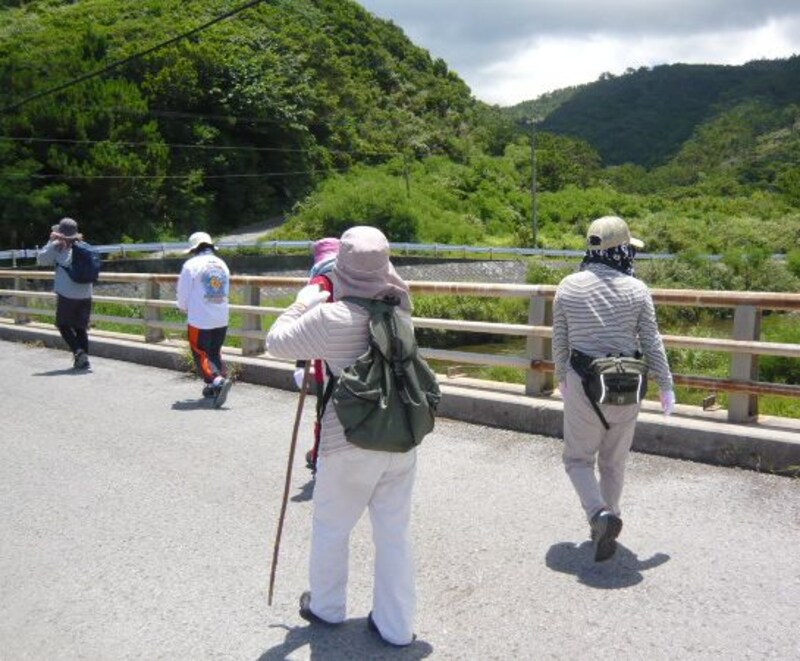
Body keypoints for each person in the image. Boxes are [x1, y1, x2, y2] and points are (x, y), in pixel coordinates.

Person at [266, 226, 418, 647]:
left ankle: (327, 607)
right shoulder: (400, 308)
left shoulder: (330, 317)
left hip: (345, 440)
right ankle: (397, 626)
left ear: (342, 269)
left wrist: (302, 304)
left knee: (333, 527)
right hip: (400, 437)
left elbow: (276, 342)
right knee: (394, 533)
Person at [551, 215, 675, 562]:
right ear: (621, 249)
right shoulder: (637, 289)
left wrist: (561, 376)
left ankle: (598, 515)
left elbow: (559, 340)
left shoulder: (568, 285)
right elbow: (652, 342)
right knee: (614, 461)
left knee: (578, 458)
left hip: (583, 382)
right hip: (627, 385)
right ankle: (612, 515)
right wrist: (666, 385)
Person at [292, 237, 341, 474]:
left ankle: (322, 454)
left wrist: (301, 364)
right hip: (359, 355)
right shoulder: (356, 276)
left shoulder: (319, 281)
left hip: (326, 358)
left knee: (326, 407)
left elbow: (303, 324)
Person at [176, 231, 232, 408]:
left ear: (194, 249)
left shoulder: (191, 265)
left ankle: (218, 381)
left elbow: (183, 294)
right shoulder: (222, 264)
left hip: (200, 318)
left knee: (200, 352)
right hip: (221, 316)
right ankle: (214, 384)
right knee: (214, 351)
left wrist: (183, 308)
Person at [36, 217, 94, 370]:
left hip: (67, 294)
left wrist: (51, 241)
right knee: (80, 327)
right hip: (86, 293)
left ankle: (78, 351)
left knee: (62, 325)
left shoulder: (57, 246)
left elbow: (41, 260)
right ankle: (83, 359)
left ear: (59, 233)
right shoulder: (84, 246)